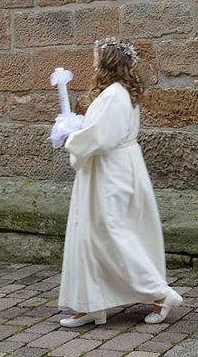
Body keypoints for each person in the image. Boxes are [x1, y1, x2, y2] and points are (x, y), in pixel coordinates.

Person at [57, 37, 181, 327]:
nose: (93, 63)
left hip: (111, 172)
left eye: (96, 57)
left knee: (112, 233)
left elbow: (101, 137)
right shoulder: (119, 92)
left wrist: (69, 137)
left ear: (108, 62)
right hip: (111, 167)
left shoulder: (114, 94)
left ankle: (160, 293)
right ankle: (91, 303)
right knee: (91, 235)